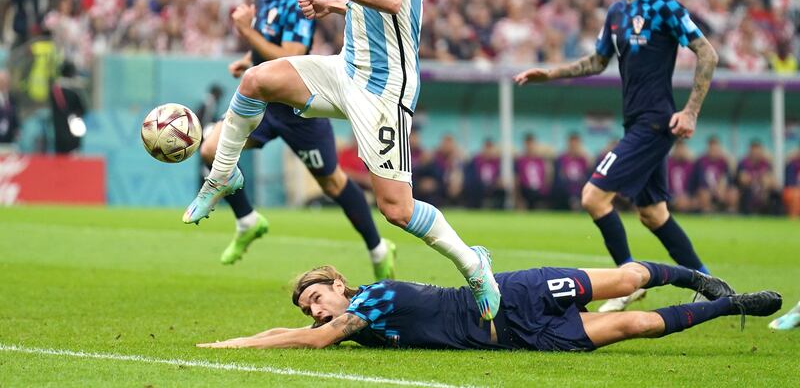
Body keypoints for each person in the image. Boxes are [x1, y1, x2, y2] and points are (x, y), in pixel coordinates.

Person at [184, 0, 501, 320]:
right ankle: (222, 178)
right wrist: (335, 3)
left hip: (381, 89)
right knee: (256, 80)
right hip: (346, 69)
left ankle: (473, 264)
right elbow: (380, 6)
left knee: (397, 209)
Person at [514, 0, 721, 312]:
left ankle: (626, 282)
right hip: (636, 123)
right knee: (653, 214)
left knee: (593, 197)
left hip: (656, 122)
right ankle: (713, 286)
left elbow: (707, 53)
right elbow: (596, 61)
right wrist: (550, 73)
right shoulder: (616, 13)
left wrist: (690, 111)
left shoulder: (663, 6)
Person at [196, 0, 395, 279]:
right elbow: (269, 45)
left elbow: (292, 56)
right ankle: (247, 220)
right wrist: (248, 58)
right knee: (211, 150)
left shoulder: (300, 2)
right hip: (263, 105)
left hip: (299, 109)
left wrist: (247, 32)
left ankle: (379, 247)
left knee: (332, 184)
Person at [196, 257, 781, 351]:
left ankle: (699, 280)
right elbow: (306, 333)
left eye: (317, 298)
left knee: (622, 277)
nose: (316, 313)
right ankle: (734, 308)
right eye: (309, 309)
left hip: (515, 291)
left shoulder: (368, 302)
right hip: (519, 336)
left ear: (339, 284)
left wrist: (240, 342)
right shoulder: (358, 320)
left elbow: (317, 339)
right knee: (631, 323)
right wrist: (255, 337)